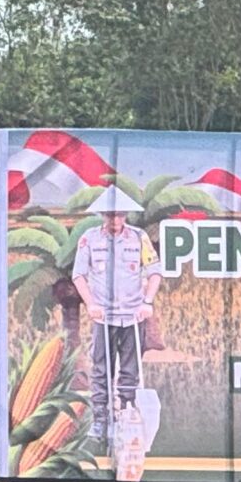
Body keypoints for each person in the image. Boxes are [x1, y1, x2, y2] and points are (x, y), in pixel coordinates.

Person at [70, 186, 160, 461]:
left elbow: (154, 272)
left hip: (132, 315)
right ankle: (100, 421)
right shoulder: (89, 240)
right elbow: (79, 276)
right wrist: (90, 304)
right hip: (104, 316)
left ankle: (129, 417)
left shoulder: (139, 238)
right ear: (102, 215)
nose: (115, 221)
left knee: (130, 370)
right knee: (101, 370)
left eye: (119, 215)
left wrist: (147, 302)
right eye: (110, 216)